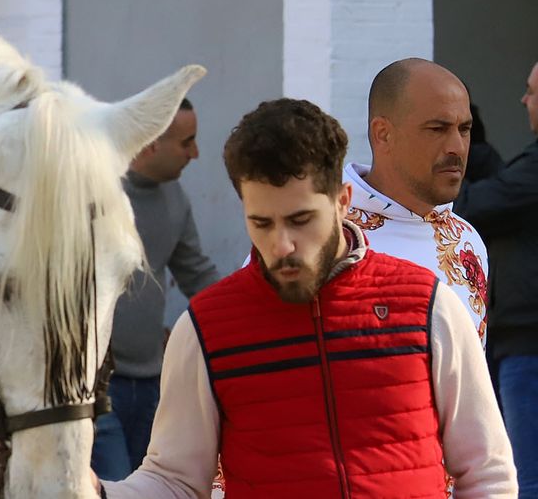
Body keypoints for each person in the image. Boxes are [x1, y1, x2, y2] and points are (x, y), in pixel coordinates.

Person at [98, 98, 514, 498]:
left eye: (300, 220)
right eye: (261, 223)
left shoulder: (428, 306)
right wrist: (93, 492)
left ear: (342, 203)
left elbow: (486, 472)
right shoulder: (205, 329)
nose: (281, 245)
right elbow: (176, 481)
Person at [91, 99, 218, 479]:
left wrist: (246, 326)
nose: (195, 154)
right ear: (149, 144)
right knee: (113, 486)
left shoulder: (175, 198)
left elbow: (197, 274)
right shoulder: (94, 195)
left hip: (153, 386)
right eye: (186, 142)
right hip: (98, 390)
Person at [344, 58, 489, 339]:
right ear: (383, 134)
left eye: (464, 129)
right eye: (437, 129)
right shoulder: (318, 239)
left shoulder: (468, 241)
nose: (457, 147)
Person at [457, 59, 538, 495]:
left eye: (531, 90)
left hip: (529, 344)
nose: (523, 99)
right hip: (518, 341)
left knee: (526, 480)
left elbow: (477, 203)